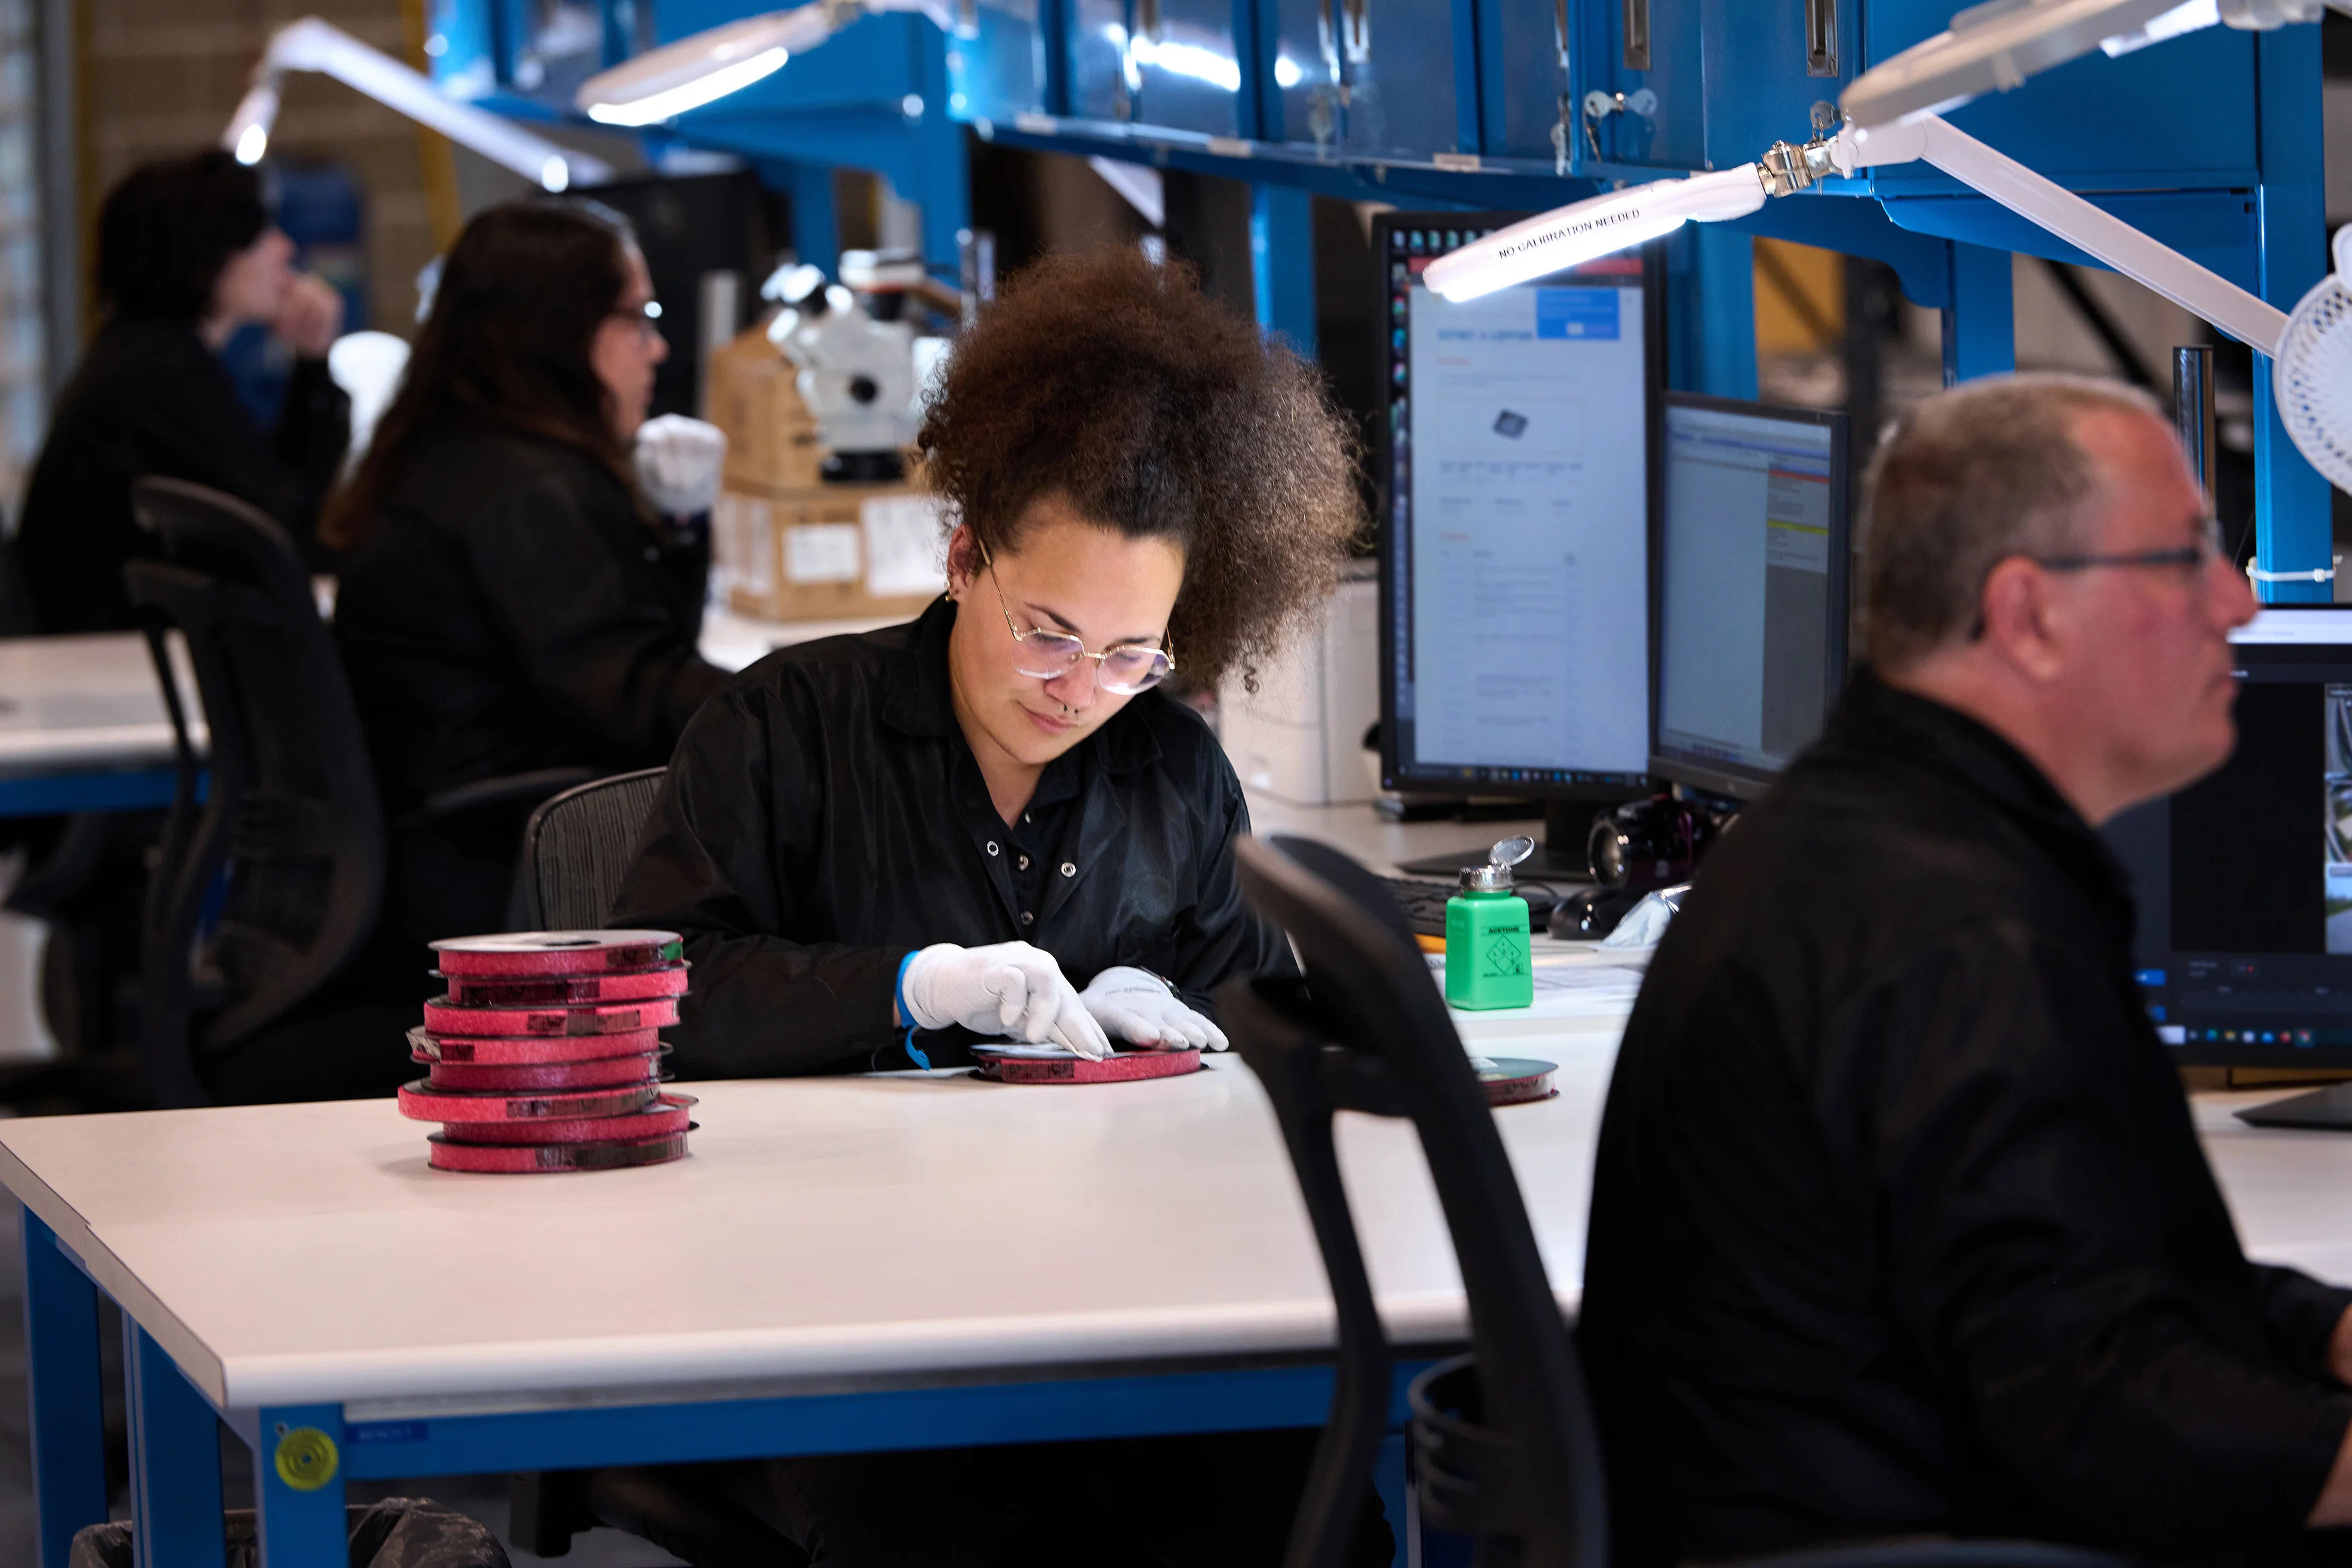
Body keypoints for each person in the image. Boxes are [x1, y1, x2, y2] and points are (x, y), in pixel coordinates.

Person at [607, 246, 1383, 1567]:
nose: (1079, 686)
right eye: (1047, 632)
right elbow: (665, 999)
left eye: (1132, 654)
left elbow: (1260, 1039)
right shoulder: (783, 731)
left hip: (1120, 1313)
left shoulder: (1173, 774)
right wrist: (904, 990)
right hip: (849, 1324)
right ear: (964, 555)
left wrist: (1205, 1025)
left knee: (1316, 1507)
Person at [1580, 373, 2352, 1565]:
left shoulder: (1882, 835)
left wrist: (2326, 1331)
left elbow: (2088, 1284)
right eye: (2187, 556)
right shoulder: (1956, 927)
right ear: (2029, 614)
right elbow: (2102, 1409)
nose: (2240, 603)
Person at [327, 200, 728, 978]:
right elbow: (634, 700)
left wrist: (676, 526)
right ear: (563, 329)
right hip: (498, 870)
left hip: (449, 851)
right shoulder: (527, 491)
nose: (657, 346)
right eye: (638, 317)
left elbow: (632, 655)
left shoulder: (462, 451)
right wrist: (803, 703)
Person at [16, 148, 348, 633]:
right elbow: (287, 530)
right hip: (106, 655)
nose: (284, 251)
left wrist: (312, 364)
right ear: (206, 260)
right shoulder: (157, 373)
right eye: (257, 237)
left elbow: (283, 494)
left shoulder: (148, 356)